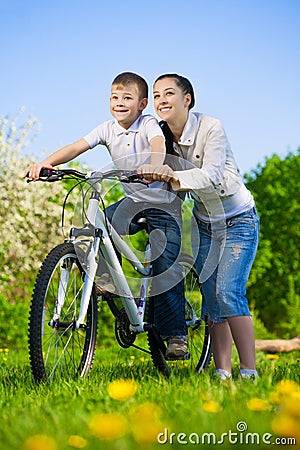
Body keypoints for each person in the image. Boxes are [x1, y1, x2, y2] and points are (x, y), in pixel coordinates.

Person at [23, 72, 188, 360]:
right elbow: (76, 147)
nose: (120, 103)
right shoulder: (107, 129)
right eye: (114, 97)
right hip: (133, 201)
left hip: (163, 205)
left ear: (142, 104)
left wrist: (154, 166)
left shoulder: (148, 124)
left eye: (127, 98)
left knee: (165, 267)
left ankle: (176, 335)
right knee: (97, 230)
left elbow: (158, 145)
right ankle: (111, 284)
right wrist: (45, 164)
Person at [138, 73, 260, 379]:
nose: (161, 100)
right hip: (205, 224)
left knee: (228, 292)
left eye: (168, 94)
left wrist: (170, 176)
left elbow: (213, 175)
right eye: (156, 95)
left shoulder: (211, 127)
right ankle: (222, 372)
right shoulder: (162, 135)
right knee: (211, 298)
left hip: (238, 221)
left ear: (187, 100)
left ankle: (250, 371)